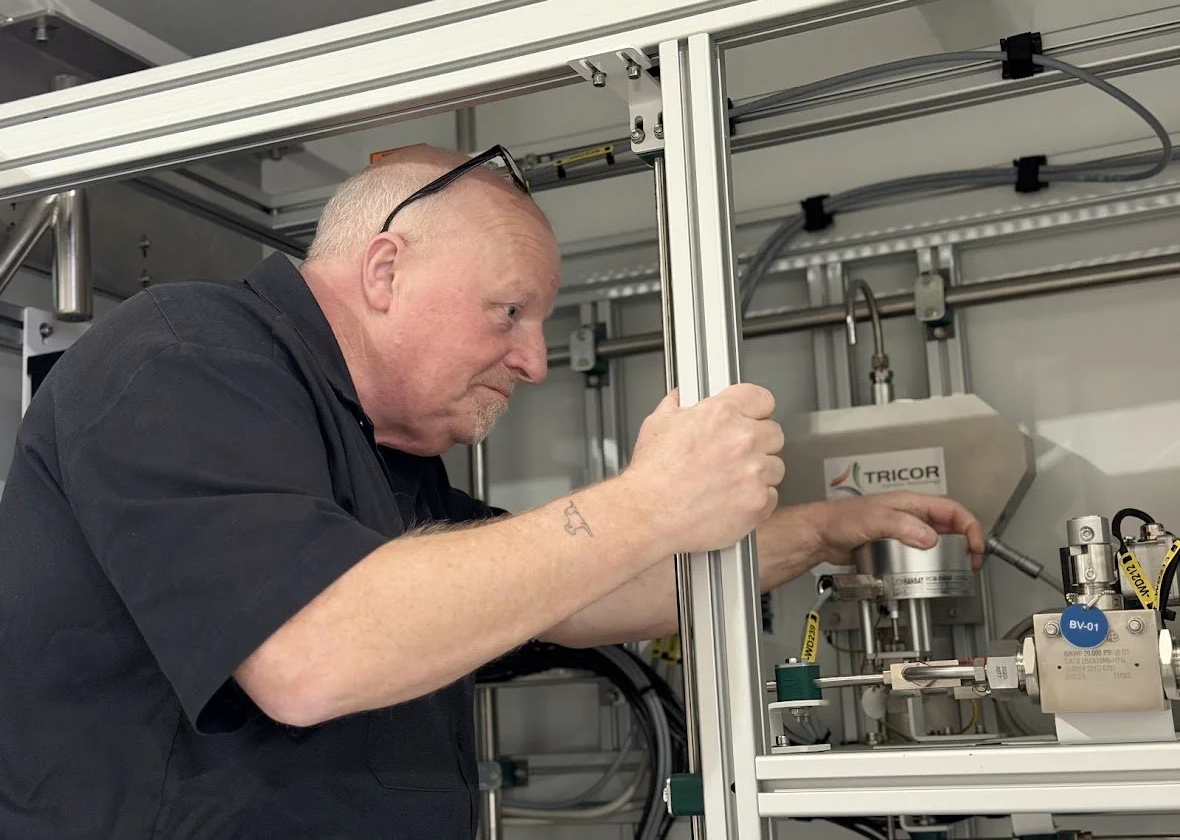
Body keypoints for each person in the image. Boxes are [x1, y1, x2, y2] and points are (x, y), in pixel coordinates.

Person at [0, 143, 983, 839]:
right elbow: (309, 655)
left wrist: (819, 533)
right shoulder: (184, 359)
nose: (534, 360)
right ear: (384, 269)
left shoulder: (373, 446)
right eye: (510, 311)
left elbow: (571, 592)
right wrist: (647, 499)